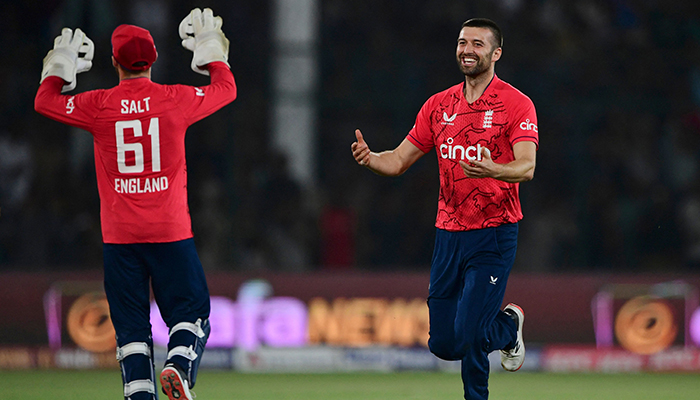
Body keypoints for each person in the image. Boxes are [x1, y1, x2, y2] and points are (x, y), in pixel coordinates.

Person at [35, 8, 236, 400]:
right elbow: (225, 90)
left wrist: (60, 66)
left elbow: (45, 102)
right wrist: (211, 50)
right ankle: (177, 365)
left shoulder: (98, 105)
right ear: (154, 59)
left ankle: (139, 394)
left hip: (120, 240)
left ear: (113, 62)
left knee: (131, 333)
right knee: (191, 313)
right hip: (170, 232)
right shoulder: (176, 99)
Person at [351, 18, 537, 399]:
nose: (467, 50)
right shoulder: (439, 105)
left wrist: (493, 170)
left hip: (494, 233)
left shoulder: (516, 104)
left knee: (470, 332)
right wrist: (372, 159)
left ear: (496, 53)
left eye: (478, 44)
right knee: (444, 345)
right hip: (448, 235)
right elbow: (399, 160)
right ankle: (507, 327)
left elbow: (527, 166)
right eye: (462, 42)